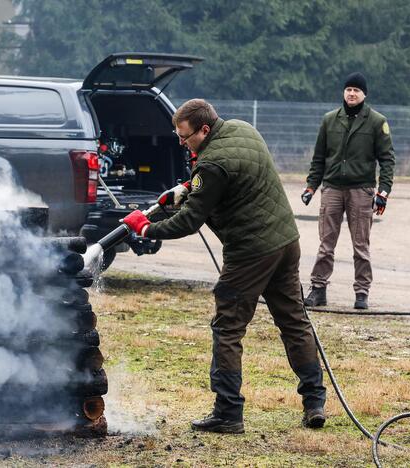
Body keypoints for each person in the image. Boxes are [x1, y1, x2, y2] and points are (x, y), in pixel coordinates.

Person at [122, 99, 327, 433]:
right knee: (294, 322)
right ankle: (314, 402)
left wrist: (146, 228)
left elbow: (190, 221)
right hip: (285, 243)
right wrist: (187, 188)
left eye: (185, 137)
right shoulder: (243, 129)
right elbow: (232, 179)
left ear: (204, 129)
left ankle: (228, 412)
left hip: (250, 252)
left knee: (228, 328)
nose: (181, 143)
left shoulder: (212, 164)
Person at [301, 72, 396, 310]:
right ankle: (318, 289)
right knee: (326, 243)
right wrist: (311, 186)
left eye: (356, 90)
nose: (351, 93)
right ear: (343, 92)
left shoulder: (376, 122)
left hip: (361, 190)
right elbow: (319, 158)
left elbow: (387, 160)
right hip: (332, 188)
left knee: (360, 245)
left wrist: (383, 191)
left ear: (364, 94)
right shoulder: (329, 120)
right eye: (348, 89)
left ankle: (362, 292)